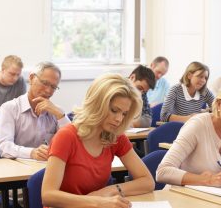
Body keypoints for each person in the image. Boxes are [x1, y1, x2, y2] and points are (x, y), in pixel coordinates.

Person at [42, 73, 154, 208]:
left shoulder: (115, 136)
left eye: (124, 113)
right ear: (97, 104)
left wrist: (108, 191)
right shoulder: (66, 136)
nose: (119, 119)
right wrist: (98, 201)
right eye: (114, 110)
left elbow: (147, 181)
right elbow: (48, 195)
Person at [0, 61, 70, 160]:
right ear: (31, 78)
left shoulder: (56, 112)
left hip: (48, 168)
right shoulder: (9, 108)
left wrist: (60, 115)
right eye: (45, 83)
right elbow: (4, 147)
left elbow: (74, 142)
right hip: (18, 169)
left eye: (53, 87)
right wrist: (31, 153)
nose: (48, 91)